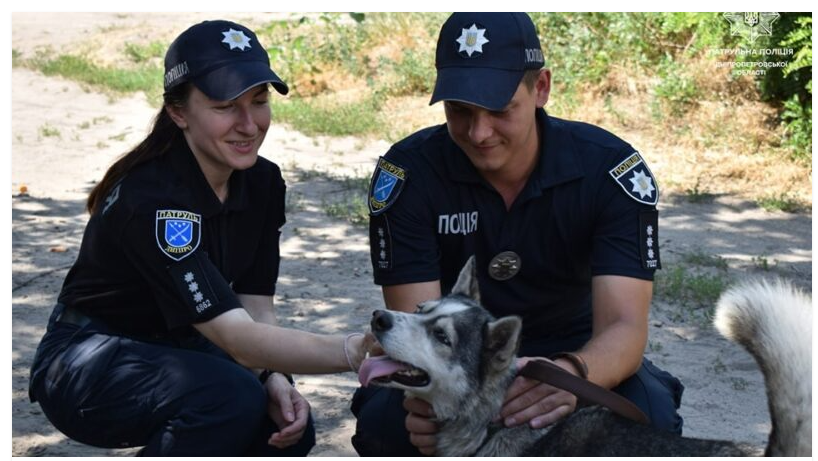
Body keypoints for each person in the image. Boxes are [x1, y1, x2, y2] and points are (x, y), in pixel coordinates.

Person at [28, 19, 371, 456]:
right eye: (226, 106)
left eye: (260, 101)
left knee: (285, 426)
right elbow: (237, 340)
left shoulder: (262, 181)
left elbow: (255, 307)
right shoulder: (153, 198)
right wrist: (357, 350)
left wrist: (275, 378)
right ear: (178, 112)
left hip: (179, 346)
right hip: (85, 359)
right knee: (227, 399)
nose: (249, 124)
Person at [352, 12, 684, 456]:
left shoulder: (607, 171)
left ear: (541, 88)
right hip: (455, 360)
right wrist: (425, 405)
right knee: (388, 428)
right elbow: (414, 333)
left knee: (649, 421)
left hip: (578, 350)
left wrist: (571, 375)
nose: (479, 132)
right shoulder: (410, 175)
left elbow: (624, 327)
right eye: (460, 111)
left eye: (500, 110)